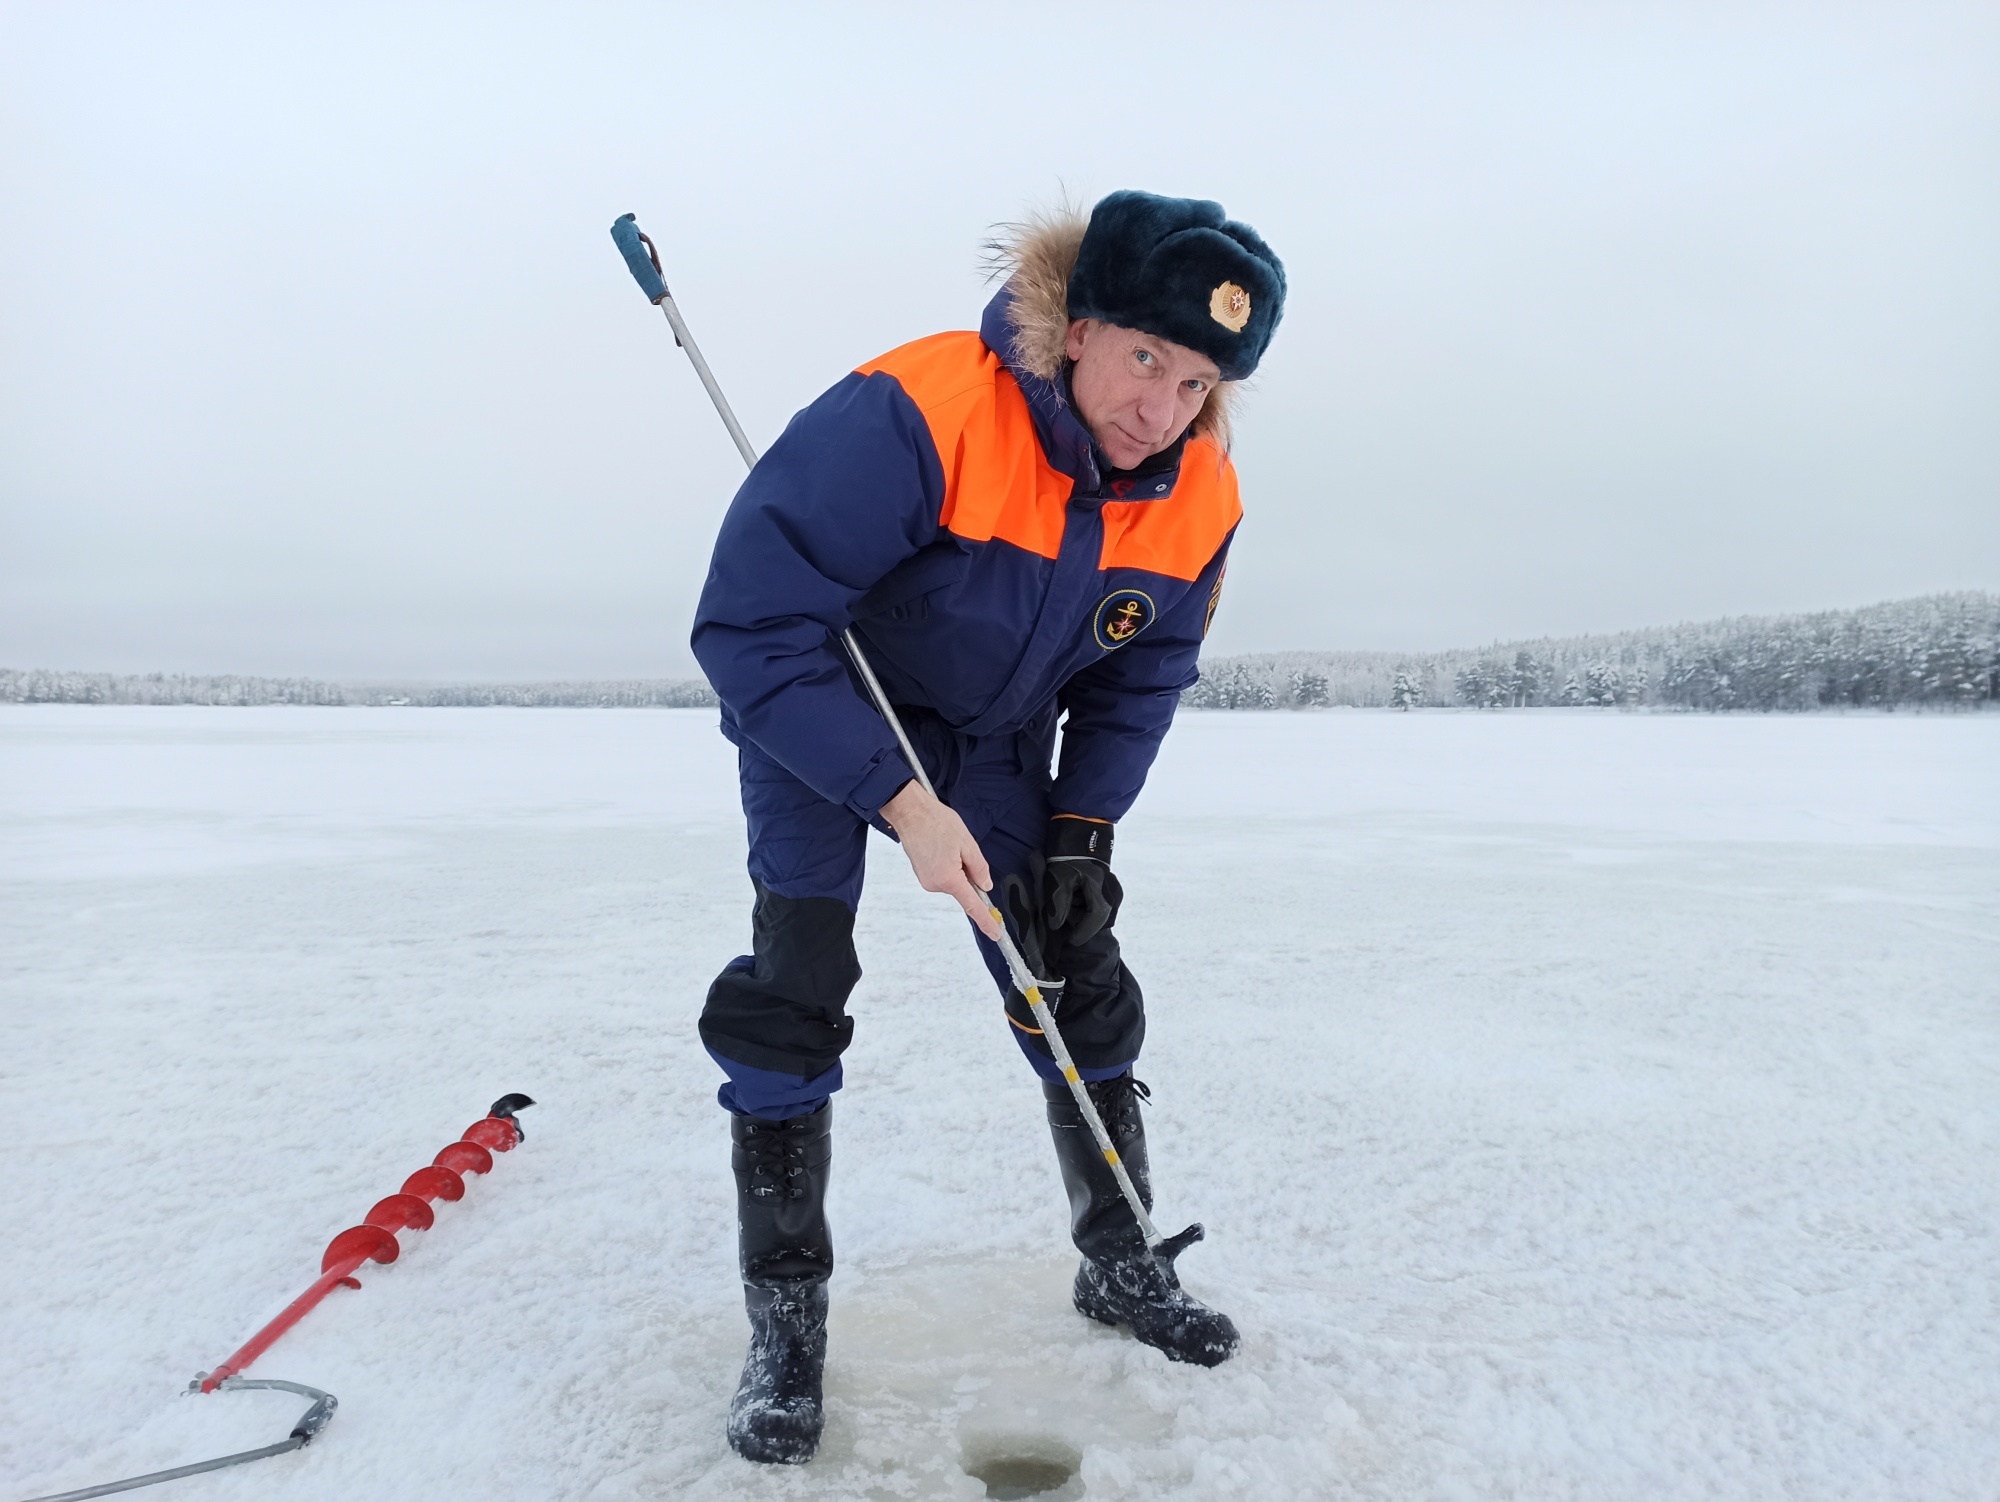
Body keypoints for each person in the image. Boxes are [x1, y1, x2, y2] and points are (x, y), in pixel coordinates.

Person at [691, 190, 1286, 1464]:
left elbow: (1138, 676)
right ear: (1078, 330)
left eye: (1195, 385)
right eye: (1144, 360)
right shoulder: (916, 412)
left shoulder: (1198, 493)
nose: (1160, 409)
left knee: (1074, 972)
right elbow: (750, 622)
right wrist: (900, 803)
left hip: (1001, 742)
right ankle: (784, 1326)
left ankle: (1119, 1261)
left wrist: (1080, 827)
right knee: (793, 987)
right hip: (823, 709)